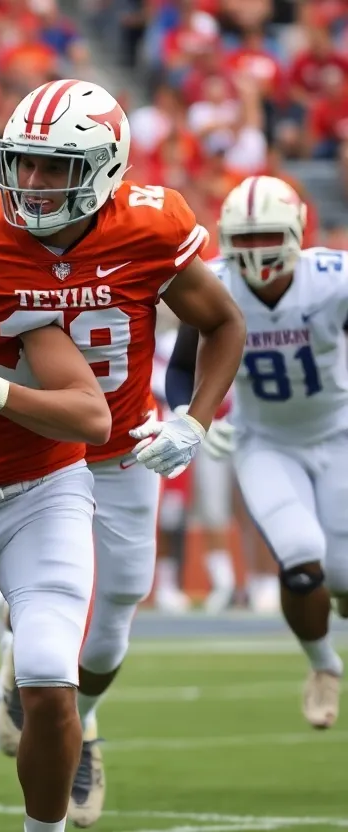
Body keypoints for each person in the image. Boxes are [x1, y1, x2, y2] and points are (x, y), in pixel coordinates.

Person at [0, 78, 244, 832]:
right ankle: (44, 706)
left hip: (117, 451)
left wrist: (195, 418)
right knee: (4, 679)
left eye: (56, 167)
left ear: (108, 168)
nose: (34, 183)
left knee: (109, 625)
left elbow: (221, 323)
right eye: (24, 163)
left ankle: (77, 723)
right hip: (11, 463)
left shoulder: (151, 227)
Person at [167, 174, 347, 730]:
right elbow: (179, 368)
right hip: (263, 438)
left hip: (339, 431)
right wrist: (187, 416)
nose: (256, 251)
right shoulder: (215, 283)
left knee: (342, 577)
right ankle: (323, 666)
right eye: (243, 239)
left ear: (296, 231)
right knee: (299, 555)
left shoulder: (332, 281)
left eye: (266, 235)